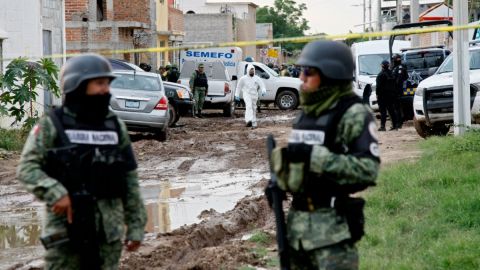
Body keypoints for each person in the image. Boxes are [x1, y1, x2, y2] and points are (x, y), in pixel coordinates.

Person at [17, 54, 147, 270]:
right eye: (99, 83)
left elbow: (129, 180)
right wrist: (55, 192)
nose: (106, 90)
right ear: (77, 85)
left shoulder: (115, 127)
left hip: (108, 234)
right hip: (65, 233)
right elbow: (27, 168)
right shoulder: (52, 124)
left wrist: (136, 225)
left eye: (107, 83)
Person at [270, 40, 380, 269]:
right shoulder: (307, 114)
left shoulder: (353, 114)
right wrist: (280, 183)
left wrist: (315, 157)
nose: (301, 78)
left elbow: (368, 170)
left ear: (330, 74)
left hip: (332, 235)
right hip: (297, 233)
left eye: (308, 71)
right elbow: (301, 166)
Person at [234, 64, 266, 128]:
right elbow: (238, 87)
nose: (252, 72)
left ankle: (253, 123)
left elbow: (262, 85)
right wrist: (236, 94)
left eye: (253, 70)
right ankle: (249, 120)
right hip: (247, 94)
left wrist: (263, 90)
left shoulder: (257, 78)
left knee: (254, 108)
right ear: (248, 70)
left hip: (254, 95)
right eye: (251, 70)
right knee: (249, 106)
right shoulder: (243, 78)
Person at [376, 60, 399, 131]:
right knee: (391, 110)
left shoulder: (380, 75)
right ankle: (395, 126)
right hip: (391, 95)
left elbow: (378, 87)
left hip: (382, 96)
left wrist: (377, 95)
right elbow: (396, 84)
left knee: (383, 111)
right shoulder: (392, 73)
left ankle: (383, 127)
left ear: (382, 66)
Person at [391, 53, 408, 128]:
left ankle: (399, 123)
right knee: (396, 107)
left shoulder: (400, 67)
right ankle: (398, 122)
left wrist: (395, 87)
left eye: (395, 59)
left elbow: (400, 79)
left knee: (397, 107)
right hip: (394, 90)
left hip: (397, 90)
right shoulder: (394, 67)